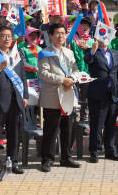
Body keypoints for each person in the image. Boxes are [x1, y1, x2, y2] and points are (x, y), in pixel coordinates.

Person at [0, 26, 28, 177]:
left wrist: (25, 96)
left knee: (14, 133)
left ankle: (13, 162)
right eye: (3, 36)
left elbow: (22, 76)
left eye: (9, 36)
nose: (7, 39)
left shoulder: (16, 54)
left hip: (15, 100)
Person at [38, 23, 81, 172]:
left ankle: (66, 157)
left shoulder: (69, 53)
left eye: (63, 33)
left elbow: (76, 69)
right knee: (51, 129)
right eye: (57, 33)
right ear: (50, 36)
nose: (60, 36)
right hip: (53, 97)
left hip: (68, 95)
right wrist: (62, 80)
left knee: (68, 128)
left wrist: (72, 79)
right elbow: (43, 73)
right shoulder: (45, 53)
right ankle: (47, 159)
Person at [84, 37, 118, 163]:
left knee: (111, 124)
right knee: (97, 125)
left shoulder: (115, 53)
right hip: (97, 93)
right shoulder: (92, 51)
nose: (104, 39)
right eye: (102, 36)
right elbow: (87, 61)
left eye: (107, 36)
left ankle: (110, 150)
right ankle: (94, 151)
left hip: (112, 93)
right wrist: (93, 50)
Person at [70, 17, 94, 123]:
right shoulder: (72, 40)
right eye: (81, 25)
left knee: (86, 98)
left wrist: (89, 48)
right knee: (74, 96)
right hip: (74, 73)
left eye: (87, 26)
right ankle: (73, 119)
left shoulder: (93, 41)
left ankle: (84, 119)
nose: (84, 27)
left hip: (88, 74)